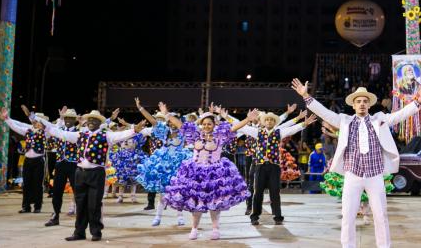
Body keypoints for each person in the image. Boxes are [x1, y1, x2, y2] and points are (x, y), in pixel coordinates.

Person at [293, 78, 421, 248]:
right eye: (358, 101)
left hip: (374, 176)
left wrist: (418, 101)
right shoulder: (344, 121)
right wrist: (306, 95)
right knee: (348, 216)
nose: (361, 104)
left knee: (381, 215)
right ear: (353, 105)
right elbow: (324, 112)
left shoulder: (379, 120)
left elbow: (399, 115)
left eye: (365, 102)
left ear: (369, 105)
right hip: (352, 175)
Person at [33, 109, 146, 242]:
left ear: (100, 123)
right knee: (80, 204)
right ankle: (79, 232)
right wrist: (46, 127)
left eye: (95, 120)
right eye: (90, 120)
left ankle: (96, 232)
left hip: (96, 173)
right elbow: (61, 133)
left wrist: (134, 130)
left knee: (94, 204)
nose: (91, 122)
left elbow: (121, 135)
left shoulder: (106, 135)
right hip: (80, 172)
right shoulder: (81, 134)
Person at [163, 105, 251, 240]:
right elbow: (180, 125)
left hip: (214, 174)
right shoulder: (195, 136)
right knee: (196, 204)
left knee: (214, 203)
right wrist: (167, 114)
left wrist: (248, 119)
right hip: (195, 173)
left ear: (214, 124)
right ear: (201, 125)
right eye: (204, 124)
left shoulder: (220, 136)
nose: (206, 126)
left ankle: (215, 229)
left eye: (209, 124)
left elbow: (235, 127)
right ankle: (194, 229)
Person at [237, 109, 316, 226]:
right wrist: (225, 116)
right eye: (267, 120)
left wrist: (305, 123)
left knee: (275, 192)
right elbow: (241, 127)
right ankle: (255, 216)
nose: (269, 121)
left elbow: (292, 129)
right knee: (257, 192)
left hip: (274, 167)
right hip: (260, 166)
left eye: (271, 120)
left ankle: (277, 216)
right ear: (263, 122)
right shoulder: (257, 132)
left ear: (274, 122)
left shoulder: (279, 132)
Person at [133, 99, 192, 227]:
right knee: (163, 192)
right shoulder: (165, 132)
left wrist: (167, 114)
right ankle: (158, 217)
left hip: (179, 163)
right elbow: (153, 121)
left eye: (174, 121)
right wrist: (141, 108)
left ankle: (180, 216)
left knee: (178, 192)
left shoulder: (183, 133)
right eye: (170, 122)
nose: (172, 124)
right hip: (164, 163)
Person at [1, 106, 49, 214]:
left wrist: (29, 115)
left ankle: (37, 206)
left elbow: (54, 128)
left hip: (38, 160)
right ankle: (26, 206)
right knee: (26, 184)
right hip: (27, 160)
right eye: (35, 121)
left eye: (39, 121)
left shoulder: (45, 132)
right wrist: (7, 119)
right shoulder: (27, 130)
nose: (36, 122)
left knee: (37, 184)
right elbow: (15, 127)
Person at [45, 106, 80, 226]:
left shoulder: (79, 131)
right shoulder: (58, 129)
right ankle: (55, 216)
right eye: (66, 118)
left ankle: (80, 218)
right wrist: (60, 118)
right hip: (60, 164)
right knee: (57, 191)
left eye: (71, 118)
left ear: (75, 120)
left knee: (78, 191)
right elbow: (47, 126)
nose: (68, 120)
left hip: (74, 164)